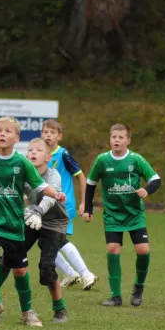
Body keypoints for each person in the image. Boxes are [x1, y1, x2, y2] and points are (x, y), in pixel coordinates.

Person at [0, 116, 65, 327]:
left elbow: (39, 185)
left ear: (16, 138)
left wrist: (56, 194)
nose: (2, 134)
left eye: (8, 131)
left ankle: (27, 311)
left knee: (19, 270)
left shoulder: (22, 162)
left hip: (14, 223)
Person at [82, 123, 161, 307]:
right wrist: (88, 209)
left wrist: (147, 191)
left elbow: (156, 180)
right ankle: (115, 296)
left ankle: (138, 287)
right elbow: (91, 183)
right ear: (110, 139)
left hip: (134, 214)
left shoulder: (136, 159)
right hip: (112, 215)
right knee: (112, 248)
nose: (116, 140)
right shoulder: (102, 160)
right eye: (113, 137)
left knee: (143, 250)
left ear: (128, 140)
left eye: (120, 137)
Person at [41, 119, 98, 290]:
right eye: (45, 132)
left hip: (63, 204)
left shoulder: (63, 154)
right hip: (47, 204)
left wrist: (84, 202)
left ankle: (85, 274)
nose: (48, 135)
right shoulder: (41, 154)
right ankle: (71, 273)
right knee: (45, 242)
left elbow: (80, 176)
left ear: (59, 136)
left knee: (58, 240)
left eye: (52, 132)